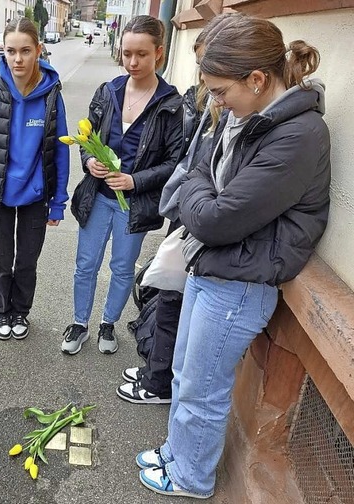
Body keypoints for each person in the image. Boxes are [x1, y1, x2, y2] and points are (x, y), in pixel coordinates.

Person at [137, 15, 331, 499]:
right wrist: (200, 189)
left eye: (221, 91)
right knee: (186, 376)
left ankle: (191, 477)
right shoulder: (253, 116)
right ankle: (178, 454)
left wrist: (195, 193)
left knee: (203, 390)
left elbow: (214, 218)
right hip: (216, 267)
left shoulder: (298, 135)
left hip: (240, 284)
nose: (216, 103)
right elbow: (202, 167)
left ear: (258, 80)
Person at [116, 14, 237, 404]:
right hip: (188, 217)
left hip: (200, 227)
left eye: (210, 70)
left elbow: (199, 169)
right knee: (169, 298)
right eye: (201, 67)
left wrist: (183, 190)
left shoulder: (232, 113)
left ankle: (158, 384)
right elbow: (194, 164)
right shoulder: (208, 104)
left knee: (175, 304)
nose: (204, 80)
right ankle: (158, 371)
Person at [63, 15, 183, 355]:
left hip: (134, 205)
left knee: (121, 267)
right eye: (127, 53)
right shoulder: (109, 91)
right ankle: (79, 323)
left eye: (142, 54)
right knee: (86, 263)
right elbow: (86, 139)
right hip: (98, 197)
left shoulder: (170, 105)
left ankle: (108, 323)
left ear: (159, 53)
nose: (132, 62)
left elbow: (174, 163)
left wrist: (134, 180)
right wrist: (88, 161)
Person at [0, 17, 70, 340]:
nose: (18, 59)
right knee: (3, 262)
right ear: (3, 52)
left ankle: (20, 310)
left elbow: (60, 151)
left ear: (38, 50)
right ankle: (1, 312)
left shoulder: (51, 96)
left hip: (36, 196)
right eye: (10, 51)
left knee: (27, 263)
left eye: (25, 50)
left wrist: (59, 202)